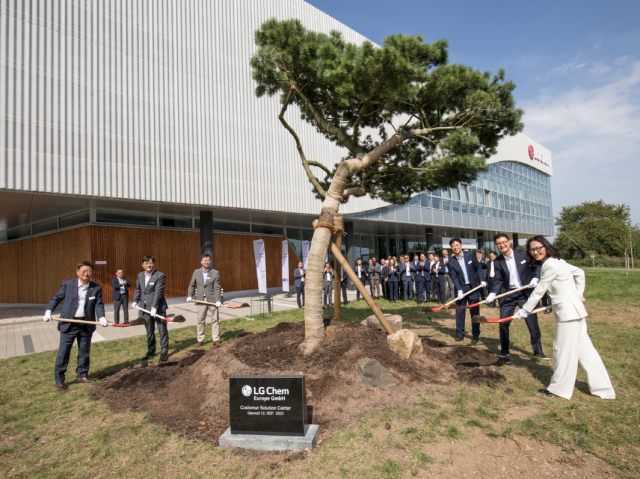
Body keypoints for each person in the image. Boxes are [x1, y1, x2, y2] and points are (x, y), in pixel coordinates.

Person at [515, 236, 615, 400]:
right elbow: (580, 273)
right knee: (586, 353)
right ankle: (603, 388)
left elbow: (541, 289)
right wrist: (578, 294)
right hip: (576, 312)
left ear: (546, 246)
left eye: (539, 247)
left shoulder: (551, 264)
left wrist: (525, 310)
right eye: (532, 250)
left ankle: (559, 389)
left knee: (562, 351)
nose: (536, 252)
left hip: (569, 315)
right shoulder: (559, 261)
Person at [44, 261, 108, 391]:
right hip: (69, 324)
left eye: (89, 271)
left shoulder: (96, 287)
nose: (86, 273)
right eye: (83, 271)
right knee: (64, 352)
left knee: (84, 351)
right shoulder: (68, 284)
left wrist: (101, 317)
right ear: (77, 272)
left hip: (86, 323)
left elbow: (98, 304)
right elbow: (56, 298)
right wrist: (48, 311)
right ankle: (60, 380)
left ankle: (82, 375)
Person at [487, 234, 546, 359]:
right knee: (503, 322)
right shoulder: (497, 261)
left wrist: (536, 278)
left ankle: (538, 351)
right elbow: (498, 280)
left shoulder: (523, 254)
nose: (502, 245)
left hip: (524, 293)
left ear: (509, 242)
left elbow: (537, 266)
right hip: (508, 294)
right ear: (496, 246)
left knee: (532, 323)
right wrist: (493, 293)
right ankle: (504, 350)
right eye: (498, 243)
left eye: (504, 242)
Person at [447, 239, 486, 342]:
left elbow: (478, 268)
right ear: (451, 248)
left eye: (457, 245)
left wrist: (482, 280)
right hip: (461, 289)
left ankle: (476, 334)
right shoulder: (451, 262)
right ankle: (460, 334)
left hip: (473, 288)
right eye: (453, 246)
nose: (455, 247)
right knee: (460, 312)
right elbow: (454, 277)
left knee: (475, 312)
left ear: (461, 245)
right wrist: (459, 290)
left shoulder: (470, 255)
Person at [132, 256, 169, 362]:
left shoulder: (159, 276)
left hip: (158, 308)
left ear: (154, 264)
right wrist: (135, 301)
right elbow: (138, 289)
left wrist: (154, 307)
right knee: (149, 330)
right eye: (146, 263)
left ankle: (163, 351)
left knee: (162, 329)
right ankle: (151, 350)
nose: (149, 265)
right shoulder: (140, 275)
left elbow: (158, 292)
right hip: (145, 308)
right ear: (142, 265)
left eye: (151, 263)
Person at [186, 253, 222, 347]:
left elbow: (217, 287)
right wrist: (190, 295)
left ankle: (216, 339)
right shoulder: (196, 272)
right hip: (200, 299)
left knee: (215, 319)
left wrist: (218, 300)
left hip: (212, 299)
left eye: (208, 260)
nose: (207, 262)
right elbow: (191, 285)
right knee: (200, 320)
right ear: (201, 262)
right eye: (205, 260)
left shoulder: (215, 273)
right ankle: (200, 339)